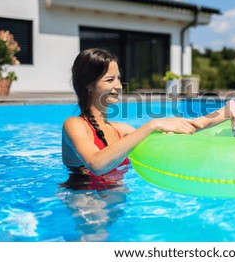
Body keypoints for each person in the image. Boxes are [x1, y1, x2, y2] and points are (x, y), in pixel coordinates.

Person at [62, 48, 198, 189]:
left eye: (119, 78)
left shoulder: (121, 130)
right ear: (89, 85)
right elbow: (97, 165)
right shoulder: (74, 125)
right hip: (83, 197)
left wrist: (218, 116)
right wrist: (152, 125)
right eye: (110, 80)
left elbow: (168, 140)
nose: (119, 86)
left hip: (116, 199)